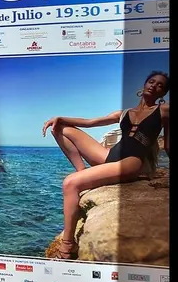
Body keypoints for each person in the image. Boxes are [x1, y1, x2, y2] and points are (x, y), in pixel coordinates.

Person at [42, 71, 170, 260]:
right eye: (151, 81)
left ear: (163, 94)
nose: (154, 86)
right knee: (60, 128)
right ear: (144, 85)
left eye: (160, 85)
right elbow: (90, 122)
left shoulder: (164, 111)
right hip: (109, 155)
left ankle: (68, 244)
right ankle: (82, 171)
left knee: (70, 183)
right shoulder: (124, 113)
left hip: (131, 161)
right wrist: (60, 117)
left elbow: (167, 145)